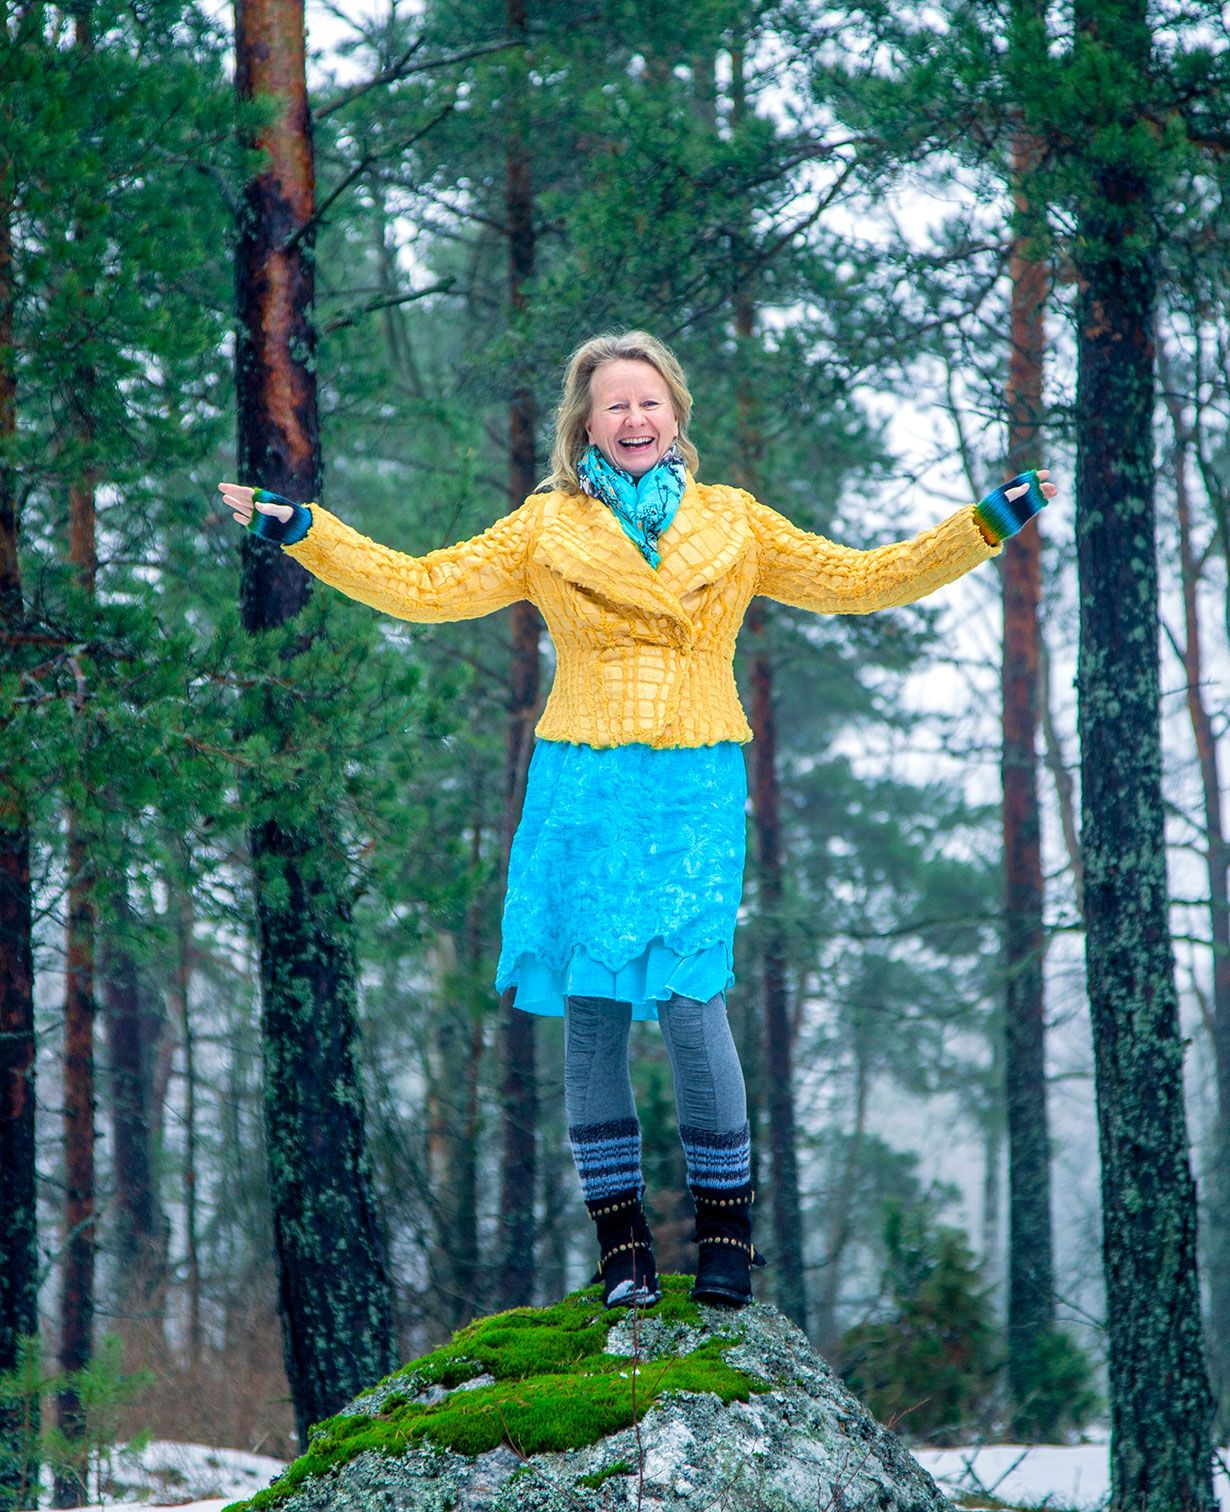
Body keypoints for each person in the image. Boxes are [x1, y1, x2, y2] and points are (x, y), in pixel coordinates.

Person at [218, 329, 1054, 1313]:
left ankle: (726, 1244)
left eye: (648, 402)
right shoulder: (544, 529)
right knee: (597, 1014)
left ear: (676, 415)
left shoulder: (733, 521)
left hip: (694, 784)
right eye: (613, 405)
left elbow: (859, 580)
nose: (633, 419)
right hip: (582, 785)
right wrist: (303, 529)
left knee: (695, 1007)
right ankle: (623, 1255)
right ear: (585, 424)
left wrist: (981, 528)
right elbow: (427, 587)